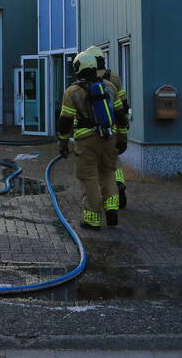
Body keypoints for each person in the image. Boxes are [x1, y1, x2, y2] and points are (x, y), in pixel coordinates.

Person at [57, 49, 128, 230]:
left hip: (86, 141)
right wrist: (122, 138)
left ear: (78, 68)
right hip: (109, 139)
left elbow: (65, 121)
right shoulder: (110, 87)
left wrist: (63, 142)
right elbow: (121, 115)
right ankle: (111, 206)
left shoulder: (72, 92)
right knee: (108, 172)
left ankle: (92, 218)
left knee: (88, 177)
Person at [83, 45, 130, 209]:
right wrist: (123, 124)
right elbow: (123, 103)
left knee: (96, 166)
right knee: (113, 158)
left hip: (94, 129)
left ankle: (100, 198)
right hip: (115, 124)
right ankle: (119, 183)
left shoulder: (88, 79)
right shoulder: (114, 77)